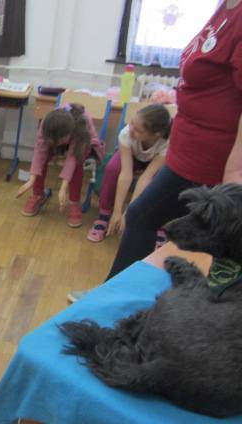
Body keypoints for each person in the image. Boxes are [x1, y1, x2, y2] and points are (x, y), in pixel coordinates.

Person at [103, 0, 242, 283]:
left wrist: (235, 170)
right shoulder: (225, 7)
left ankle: (120, 297)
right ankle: (129, 296)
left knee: (144, 217)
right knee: (170, 231)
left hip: (208, 160)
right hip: (186, 151)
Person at [87, 104, 171, 242]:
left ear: (156, 134)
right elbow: (126, 174)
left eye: (138, 130)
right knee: (112, 168)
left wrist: (128, 214)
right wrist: (117, 211)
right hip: (132, 157)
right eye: (132, 123)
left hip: (153, 163)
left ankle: (158, 225)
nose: (131, 129)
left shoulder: (168, 143)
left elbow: (145, 178)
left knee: (163, 180)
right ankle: (104, 215)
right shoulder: (126, 133)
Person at [16, 103, 104, 227]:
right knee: (43, 156)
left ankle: (74, 202)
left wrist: (63, 188)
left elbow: (72, 159)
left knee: (77, 164)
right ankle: (38, 194)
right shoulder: (47, 123)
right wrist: (31, 180)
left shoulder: (81, 125)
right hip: (61, 141)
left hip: (83, 142)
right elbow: (39, 151)